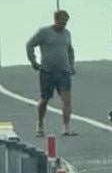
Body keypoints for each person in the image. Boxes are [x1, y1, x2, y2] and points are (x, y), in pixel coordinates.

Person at [26, 9, 77, 137]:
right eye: (62, 20)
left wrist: (71, 65)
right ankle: (40, 125)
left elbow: (70, 50)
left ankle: (66, 127)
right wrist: (33, 61)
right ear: (56, 19)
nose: (64, 23)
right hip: (47, 71)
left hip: (64, 71)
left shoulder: (67, 33)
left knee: (67, 99)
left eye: (66, 21)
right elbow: (30, 44)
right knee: (45, 99)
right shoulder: (44, 32)